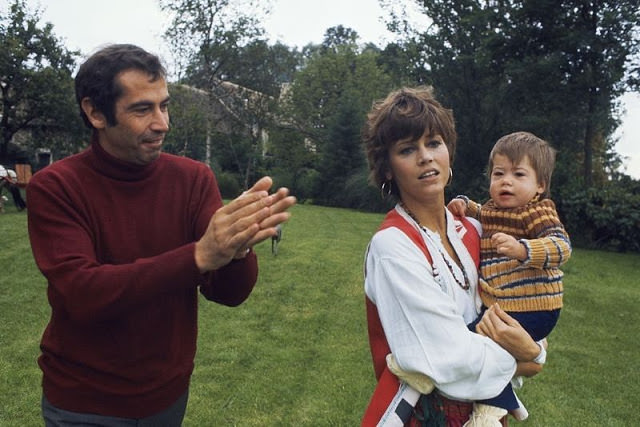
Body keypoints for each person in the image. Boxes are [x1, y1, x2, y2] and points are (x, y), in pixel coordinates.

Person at [27, 44, 296, 426]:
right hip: (83, 403)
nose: (162, 123)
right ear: (95, 112)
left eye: (164, 105)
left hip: (167, 397)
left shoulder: (193, 179)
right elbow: (82, 292)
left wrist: (236, 249)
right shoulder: (56, 187)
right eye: (142, 109)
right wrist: (199, 257)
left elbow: (228, 293)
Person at [361, 87, 545, 427]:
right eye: (407, 149)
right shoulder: (393, 247)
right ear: (388, 169)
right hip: (422, 417)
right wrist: (528, 358)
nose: (425, 157)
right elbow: (447, 356)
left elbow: (522, 303)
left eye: (433, 143)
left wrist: (534, 346)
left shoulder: (476, 229)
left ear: (448, 151)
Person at [447, 131, 572, 423]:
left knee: (472, 342)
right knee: (478, 345)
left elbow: (561, 246)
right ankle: (498, 404)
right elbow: (480, 212)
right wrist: (463, 204)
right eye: (499, 173)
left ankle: (489, 412)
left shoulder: (537, 211)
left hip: (534, 307)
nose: (506, 181)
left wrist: (522, 249)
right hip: (506, 304)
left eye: (518, 174)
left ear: (540, 185)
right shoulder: (492, 210)